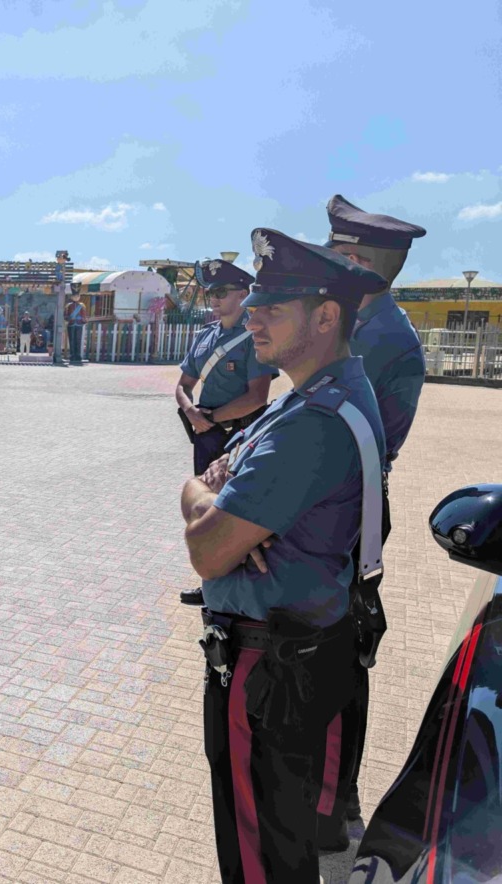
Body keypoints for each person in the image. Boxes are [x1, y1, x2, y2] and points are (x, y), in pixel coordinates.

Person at [182, 228, 387, 883]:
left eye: (272, 308)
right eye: (252, 305)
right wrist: (213, 492)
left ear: (325, 316)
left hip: (264, 668)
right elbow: (209, 487)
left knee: (259, 858)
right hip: (292, 651)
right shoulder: (314, 397)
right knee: (280, 843)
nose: (251, 319)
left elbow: (208, 549)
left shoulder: (309, 423)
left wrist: (203, 494)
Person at [316, 194, 428, 849]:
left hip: (345, 509)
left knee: (337, 656)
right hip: (331, 501)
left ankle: (336, 808)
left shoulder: (387, 340)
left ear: (357, 262)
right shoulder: (358, 321)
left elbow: (359, 446)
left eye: (335, 252)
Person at [176, 259, 279, 606]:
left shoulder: (254, 336)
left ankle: (240, 589)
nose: (214, 299)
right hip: (206, 435)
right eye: (211, 293)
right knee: (204, 508)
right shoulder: (205, 336)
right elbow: (183, 385)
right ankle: (211, 584)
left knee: (237, 513)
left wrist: (212, 417)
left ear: (242, 294)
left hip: (240, 436)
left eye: (221, 292)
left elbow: (257, 396)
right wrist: (191, 411)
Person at [65, 296, 87, 364]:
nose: (76, 297)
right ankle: (72, 354)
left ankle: (78, 354)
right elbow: (65, 315)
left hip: (79, 324)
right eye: (74, 295)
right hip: (71, 324)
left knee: (78, 340)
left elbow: (84, 315)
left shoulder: (81, 305)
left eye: (77, 295)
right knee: (71, 340)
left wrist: (83, 319)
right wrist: (69, 318)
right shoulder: (68, 305)